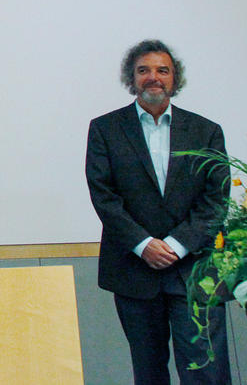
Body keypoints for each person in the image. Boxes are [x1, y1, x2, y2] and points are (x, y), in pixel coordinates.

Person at [85, 39, 231, 385]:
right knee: (148, 372)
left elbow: (216, 199)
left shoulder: (206, 131)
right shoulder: (105, 129)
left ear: (174, 78)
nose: (153, 77)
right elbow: (104, 196)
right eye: (144, 70)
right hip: (134, 271)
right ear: (131, 78)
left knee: (205, 372)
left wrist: (178, 245)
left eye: (162, 70)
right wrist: (144, 244)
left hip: (195, 271)